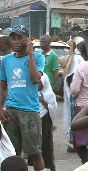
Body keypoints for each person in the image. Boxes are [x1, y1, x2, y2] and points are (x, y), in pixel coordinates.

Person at [0, 25, 45, 171]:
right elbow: (2, 87)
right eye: (13, 38)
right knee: (13, 153)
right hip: (11, 111)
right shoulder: (6, 60)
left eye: (20, 38)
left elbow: (35, 79)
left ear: (27, 40)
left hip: (30, 111)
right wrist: (0, 108)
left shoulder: (38, 57)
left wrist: (31, 54)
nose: (16, 41)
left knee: (35, 153)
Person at [28, 72, 57, 171]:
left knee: (46, 144)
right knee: (35, 145)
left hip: (45, 119)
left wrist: (42, 101)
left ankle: (50, 166)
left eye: (40, 83)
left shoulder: (49, 93)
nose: (37, 85)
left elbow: (52, 108)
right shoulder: (31, 92)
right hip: (33, 118)